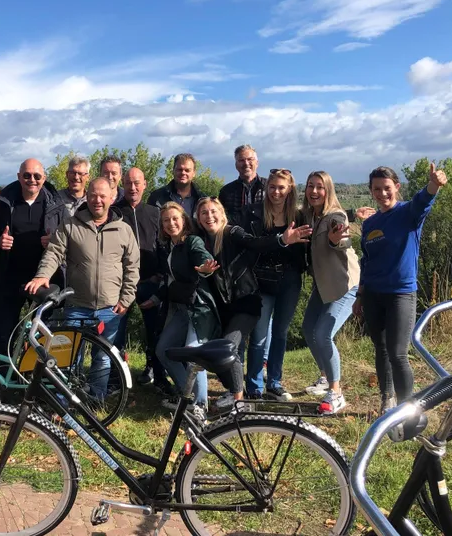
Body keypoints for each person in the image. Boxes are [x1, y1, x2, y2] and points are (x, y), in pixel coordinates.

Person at [25, 177, 140, 399]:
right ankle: (64, 401)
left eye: (103, 196)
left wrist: (127, 298)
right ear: (87, 196)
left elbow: (132, 267)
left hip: (110, 306)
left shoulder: (124, 230)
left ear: (112, 198)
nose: (98, 200)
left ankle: (96, 400)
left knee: (103, 357)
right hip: (77, 305)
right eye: (94, 195)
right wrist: (42, 276)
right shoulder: (70, 224)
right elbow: (54, 253)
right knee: (68, 355)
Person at [195, 197, 311, 408]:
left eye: (213, 211)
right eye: (204, 213)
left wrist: (282, 240)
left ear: (222, 214)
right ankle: (234, 390)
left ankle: (240, 400)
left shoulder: (232, 232)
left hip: (246, 301)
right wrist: (202, 273)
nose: (209, 216)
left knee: (229, 346)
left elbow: (256, 243)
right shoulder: (201, 240)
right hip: (223, 307)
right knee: (221, 353)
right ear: (198, 217)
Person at [355, 163, 447, 412]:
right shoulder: (369, 223)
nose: (382, 193)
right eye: (376, 189)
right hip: (373, 294)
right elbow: (367, 261)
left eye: (386, 188)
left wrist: (434, 184)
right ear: (371, 191)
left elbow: (423, 199)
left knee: (397, 353)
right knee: (381, 349)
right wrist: (360, 296)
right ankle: (387, 398)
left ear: (396, 187)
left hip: (400, 294)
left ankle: (408, 408)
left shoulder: (408, 214)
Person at [139, 202, 221, 423]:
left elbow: (202, 258)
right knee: (163, 351)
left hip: (199, 308)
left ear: (184, 220)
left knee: (195, 355)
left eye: (175, 218)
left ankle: (200, 407)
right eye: (166, 220)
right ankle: (189, 397)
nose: (171, 223)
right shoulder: (170, 247)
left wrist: (205, 267)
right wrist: (155, 299)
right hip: (181, 309)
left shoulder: (192, 242)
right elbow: (170, 281)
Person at [241, 169, 308, 401]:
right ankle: (254, 386)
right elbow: (253, 244)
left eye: (281, 187)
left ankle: (274, 382)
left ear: (290, 189)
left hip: (289, 279)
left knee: (280, 332)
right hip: (262, 279)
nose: (276, 192)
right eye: (272, 187)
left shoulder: (299, 216)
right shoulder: (254, 213)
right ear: (266, 188)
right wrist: (282, 240)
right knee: (259, 335)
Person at [0, 158, 65, 356]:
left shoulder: (56, 205)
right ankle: (3, 377)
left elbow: (66, 242)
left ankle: (33, 377)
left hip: (43, 278)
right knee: (5, 332)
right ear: (18, 177)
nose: (32, 179)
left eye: (37, 176)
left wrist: (53, 241)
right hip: (9, 277)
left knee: (41, 332)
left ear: (44, 178)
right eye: (27, 175)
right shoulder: (3, 203)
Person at [301, 171, 361, 415]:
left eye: (320, 187)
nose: (314, 191)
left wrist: (337, 240)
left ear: (328, 190)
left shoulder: (335, 216)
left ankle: (336, 392)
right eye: (310, 186)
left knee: (323, 334)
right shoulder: (311, 215)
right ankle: (326, 377)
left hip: (346, 285)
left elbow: (341, 237)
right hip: (324, 285)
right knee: (308, 329)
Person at [113, 167, 171, 391]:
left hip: (150, 281)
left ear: (145, 184)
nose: (133, 187)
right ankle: (115, 379)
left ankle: (158, 376)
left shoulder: (154, 212)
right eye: (128, 183)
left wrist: (161, 274)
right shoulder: (114, 212)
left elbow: (164, 246)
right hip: (120, 285)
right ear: (122, 184)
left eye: (137, 183)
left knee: (155, 332)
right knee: (116, 334)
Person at [218, 145, 268, 226]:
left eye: (250, 159)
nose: (246, 163)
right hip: (236, 237)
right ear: (236, 165)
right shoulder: (226, 191)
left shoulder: (269, 187)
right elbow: (222, 219)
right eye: (241, 160)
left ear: (257, 163)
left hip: (266, 236)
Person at [148, 153, 207, 218]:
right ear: (173, 170)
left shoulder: (202, 199)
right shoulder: (157, 197)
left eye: (187, 170)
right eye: (180, 169)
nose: (183, 173)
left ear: (194, 173)